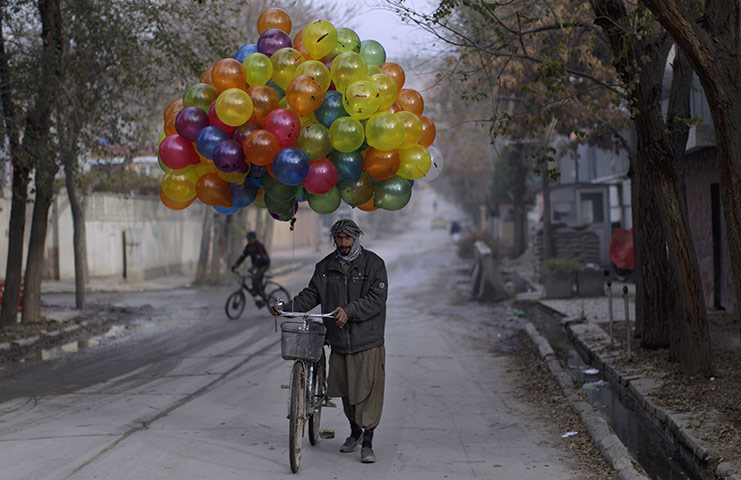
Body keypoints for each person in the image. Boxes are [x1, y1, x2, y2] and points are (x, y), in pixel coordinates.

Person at [270, 219, 387, 464]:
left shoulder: (374, 264)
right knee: (346, 392)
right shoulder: (325, 267)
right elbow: (311, 294)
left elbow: (377, 298)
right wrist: (286, 308)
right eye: (339, 238)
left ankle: (367, 441)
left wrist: (349, 310)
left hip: (367, 340)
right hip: (339, 342)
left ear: (356, 237)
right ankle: (355, 432)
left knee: (367, 393)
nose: (343, 243)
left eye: (348, 238)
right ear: (334, 239)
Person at [231, 231, 270, 308]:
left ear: (254, 239)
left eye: (251, 239)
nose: (250, 241)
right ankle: (258, 298)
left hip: (264, 264)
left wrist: (253, 267)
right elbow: (243, 257)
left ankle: (263, 297)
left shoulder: (259, 246)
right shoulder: (248, 247)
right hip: (256, 266)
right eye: (249, 240)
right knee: (254, 281)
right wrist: (236, 265)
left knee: (255, 278)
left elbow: (259, 258)